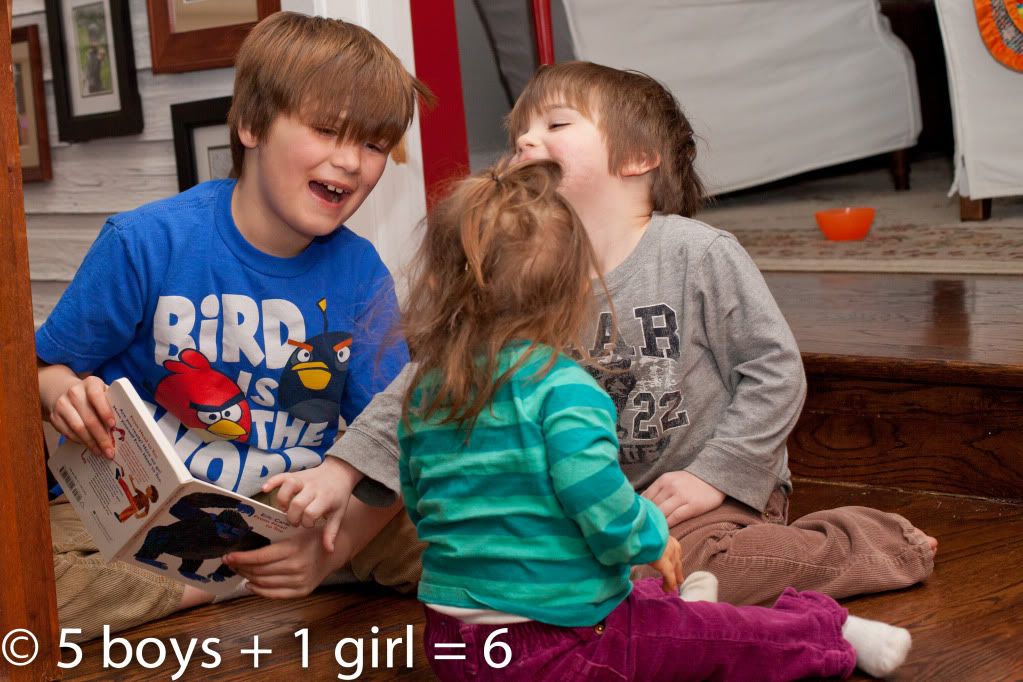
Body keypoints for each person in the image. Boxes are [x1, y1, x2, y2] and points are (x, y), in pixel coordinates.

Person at [275, 60, 936, 608]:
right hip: (588, 502)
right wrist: (343, 468)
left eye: (555, 125)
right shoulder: (518, 271)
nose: (525, 142)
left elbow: (774, 373)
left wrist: (716, 476)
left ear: (638, 157)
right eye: (518, 133)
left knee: (679, 570)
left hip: (708, 502)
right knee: (526, 561)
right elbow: (438, 373)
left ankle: (864, 543)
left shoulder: (695, 254)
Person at [281, 158, 914, 680]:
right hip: (568, 640)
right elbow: (601, 506)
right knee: (728, 644)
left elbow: (421, 502)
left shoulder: (430, 392)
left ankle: (707, 606)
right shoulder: (566, 391)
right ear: (572, 293)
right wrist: (650, 537)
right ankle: (830, 634)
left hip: (454, 645)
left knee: (654, 610)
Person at [37, 11, 431, 641]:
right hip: (145, 514)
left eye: (374, 144)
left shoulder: (361, 274)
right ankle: (209, 580)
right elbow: (42, 367)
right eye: (328, 130)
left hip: (288, 508)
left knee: (471, 531)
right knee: (27, 580)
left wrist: (325, 550)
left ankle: (270, 570)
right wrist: (64, 394)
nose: (351, 161)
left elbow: (396, 444)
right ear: (251, 125)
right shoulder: (146, 242)